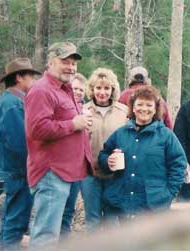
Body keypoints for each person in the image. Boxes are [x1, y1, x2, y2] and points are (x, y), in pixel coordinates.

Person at [25, 42, 93, 250]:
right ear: (51, 62)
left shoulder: (66, 89)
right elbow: (36, 130)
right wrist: (73, 124)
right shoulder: (41, 90)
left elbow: (63, 124)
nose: (71, 67)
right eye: (65, 62)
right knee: (45, 236)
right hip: (52, 174)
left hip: (69, 172)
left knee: (61, 232)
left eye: (73, 63)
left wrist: (80, 126)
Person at [99, 86, 187, 221]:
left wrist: (168, 194)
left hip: (153, 207)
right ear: (133, 108)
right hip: (124, 204)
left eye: (149, 105)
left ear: (155, 109)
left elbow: (179, 166)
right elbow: (103, 155)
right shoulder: (121, 133)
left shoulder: (166, 136)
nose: (144, 109)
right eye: (139, 104)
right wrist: (108, 161)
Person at [0, 58, 40, 251]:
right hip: (20, 173)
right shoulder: (13, 105)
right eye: (30, 76)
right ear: (19, 78)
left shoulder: (11, 101)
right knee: (16, 223)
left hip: (16, 172)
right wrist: (31, 169)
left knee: (10, 220)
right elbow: (18, 144)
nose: (34, 81)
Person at [81, 68, 128, 231]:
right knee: (93, 219)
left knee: (111, 220)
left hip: (114, 175)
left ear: (112, 90)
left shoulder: (123, 112)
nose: (102, 92)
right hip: (89, 174)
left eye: (106, 88)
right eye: (98, 88)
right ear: (92, 89)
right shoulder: (83, 111)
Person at [60, 73, 88, 239]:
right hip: (61, 166)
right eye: (75, 88)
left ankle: (64, 240)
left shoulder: (86, 109)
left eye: (81, 90)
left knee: (70, 208)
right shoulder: (63, 107)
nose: (78, 92)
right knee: (57, 209)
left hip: (79, 166)